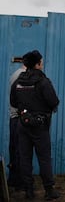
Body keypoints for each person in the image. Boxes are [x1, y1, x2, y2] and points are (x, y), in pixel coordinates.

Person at [10, 50, 60, 200]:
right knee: (44, 158)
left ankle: (29, 191)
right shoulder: (43, 81)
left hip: (23, 124)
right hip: (39, 126)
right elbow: (54, 102)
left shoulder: (18, 81)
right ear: (37, 64)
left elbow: (13, 102)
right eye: (41, 62)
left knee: (25, 158)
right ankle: (49, 191)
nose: (42, 64)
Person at [7, 63, 26, 191]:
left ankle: (13, 180)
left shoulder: (14, 75)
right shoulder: (22, 77)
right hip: (18, 118)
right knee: (20, 150)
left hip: (13, 118)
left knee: (14, 149)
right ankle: (19, 182)